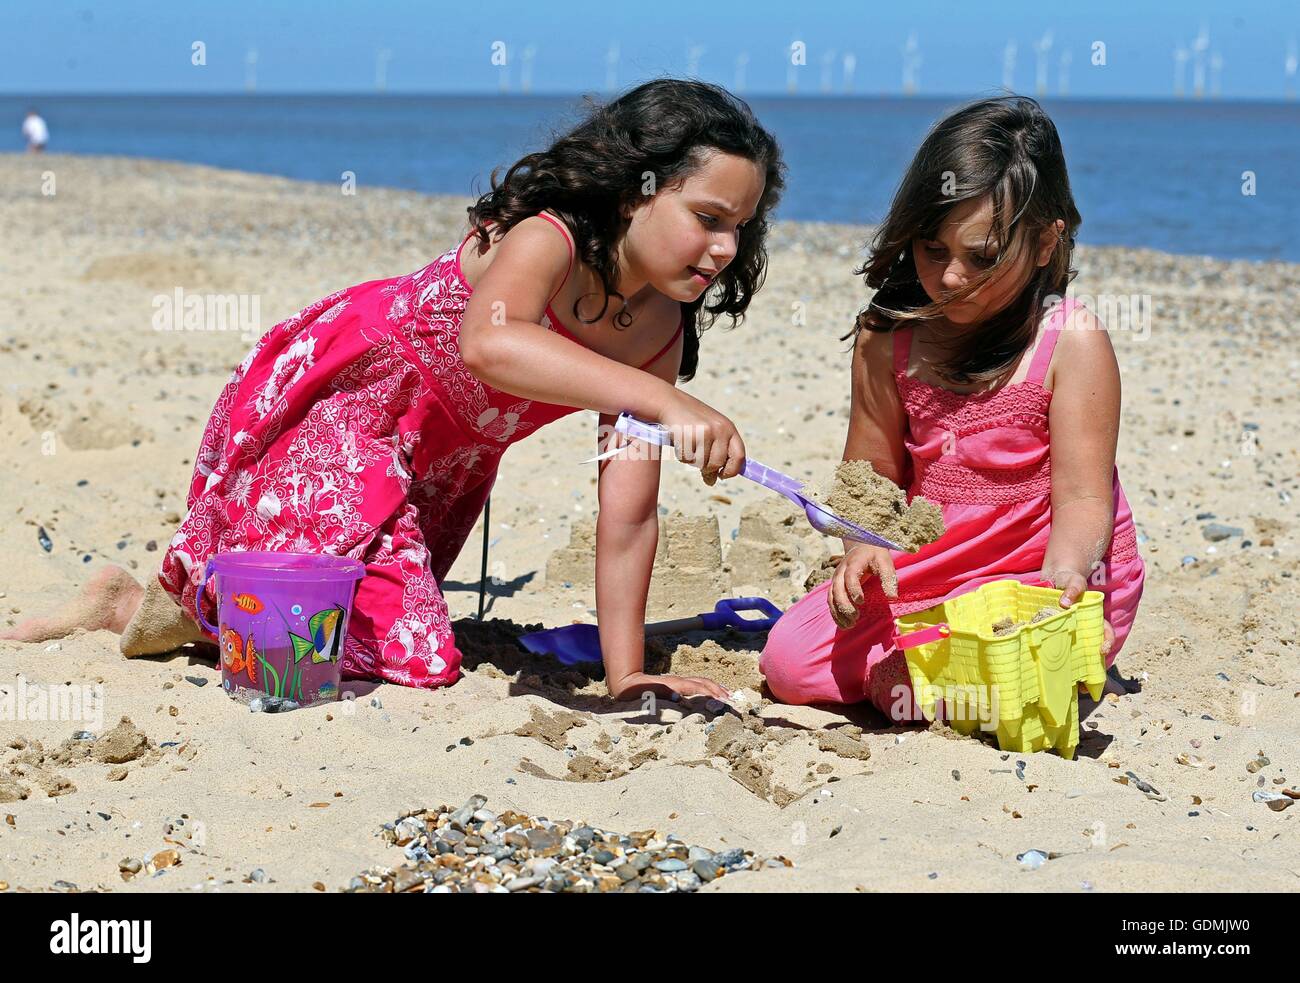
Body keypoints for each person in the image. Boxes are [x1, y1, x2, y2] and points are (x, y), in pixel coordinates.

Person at [2, 80, 785, 704]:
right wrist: (666, 401)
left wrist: (626, 676)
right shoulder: (548, 238)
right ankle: (131, 603)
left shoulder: (659, 333)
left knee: (381, 642)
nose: (724, 248)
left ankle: (175, 603)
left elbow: (629, 509)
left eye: (740, 228)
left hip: (436, 471)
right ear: (632, 191)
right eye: (707, 216)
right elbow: (492, 339)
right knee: (407, 655)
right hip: (345, 410)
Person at [761, 96, 1144, 716]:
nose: (951, 278)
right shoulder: (886, 338)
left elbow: (1083, 497)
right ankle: (947, 682)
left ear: (1047, 242)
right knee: (788, 663)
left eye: (983, 256)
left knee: (1026, 650)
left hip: (1040, 569)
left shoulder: (1070, 342)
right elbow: (872, 475)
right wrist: (864, 544)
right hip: (932, 566)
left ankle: (933, 681)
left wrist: (1064, 578)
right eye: (932, 250)